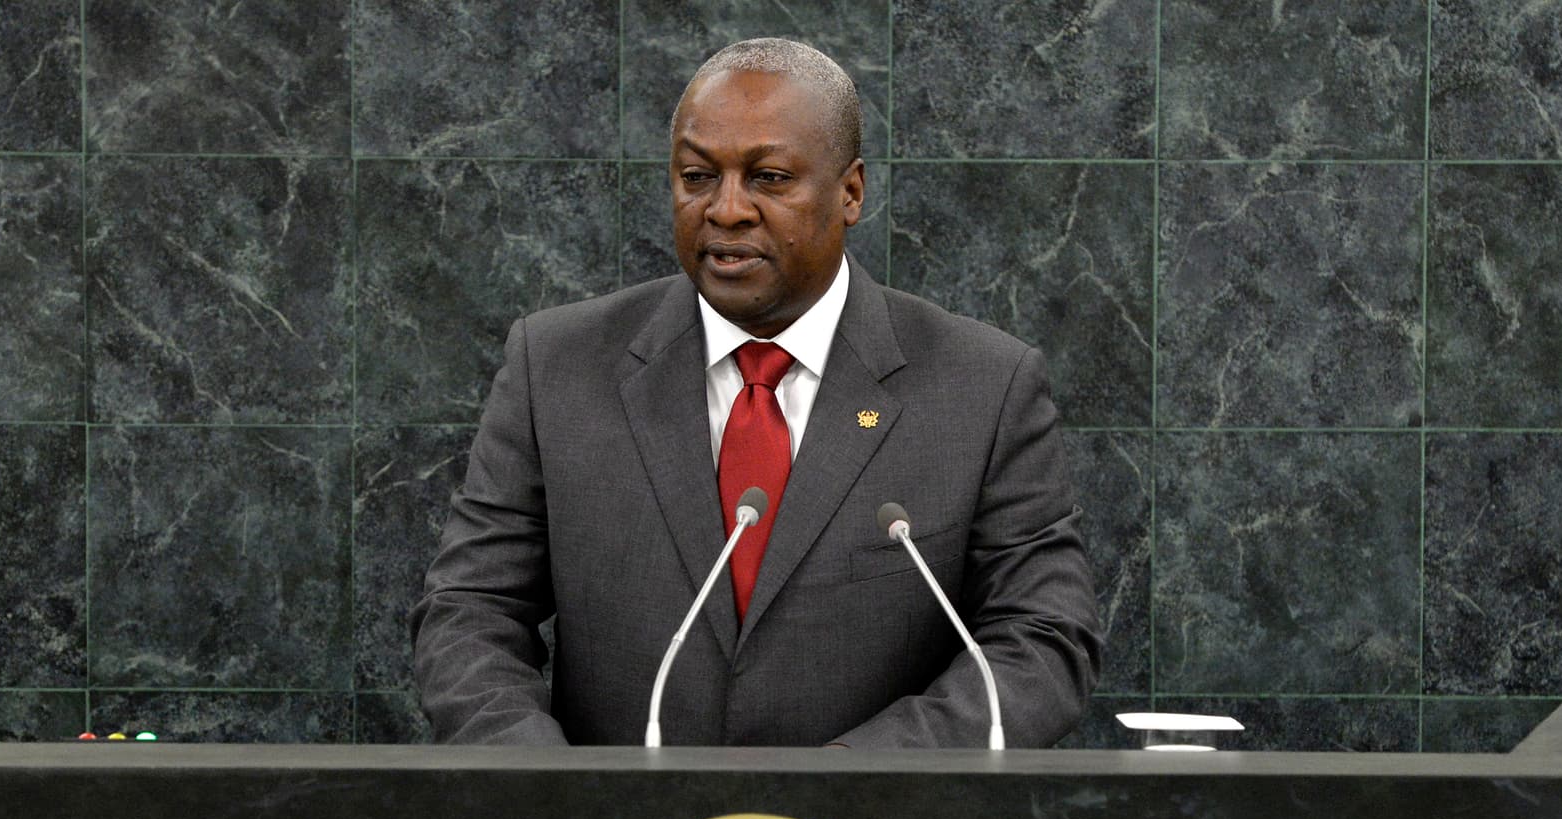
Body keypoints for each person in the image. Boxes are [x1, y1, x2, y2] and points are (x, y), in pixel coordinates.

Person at [411, 38, 1099, 747]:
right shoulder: (555, 366)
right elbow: (471, 611)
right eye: (697, 176)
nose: (727, 209)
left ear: (851, 192)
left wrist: (847, 787)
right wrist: (547, 785)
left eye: (768, 177)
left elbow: (1042, 640)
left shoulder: (982, 386)